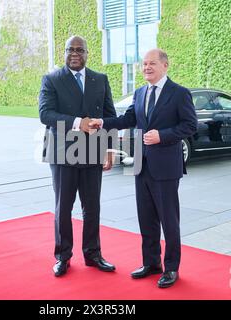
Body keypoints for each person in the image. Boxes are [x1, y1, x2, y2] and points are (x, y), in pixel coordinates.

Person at [90, 49, 198, 288]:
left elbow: (190, 125)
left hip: (166, 167)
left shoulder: (179, 93)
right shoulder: (139, 93)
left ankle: (171, 268)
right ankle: (151, 263)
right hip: (140, 163)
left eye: (152, 64)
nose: (146, 68)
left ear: (165, 66)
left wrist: (163, 135)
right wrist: (102, 123)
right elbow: (127, 119)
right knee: (146, 219)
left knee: (169, 221)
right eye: (144, 64)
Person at [39, 36, 117, 277]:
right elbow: (45, 114)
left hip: (93, 152)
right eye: (70, 50)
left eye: (80, 50)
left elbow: (110, 116)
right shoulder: (52, 79)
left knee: (92, 207)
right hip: (63, 153)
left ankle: (93, 254)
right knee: (63, 208)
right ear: (64, 53)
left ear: (87, 53)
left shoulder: (100, 79)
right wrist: (77, 123)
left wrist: (110, 149)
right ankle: (63, 256)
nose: (75, 53)